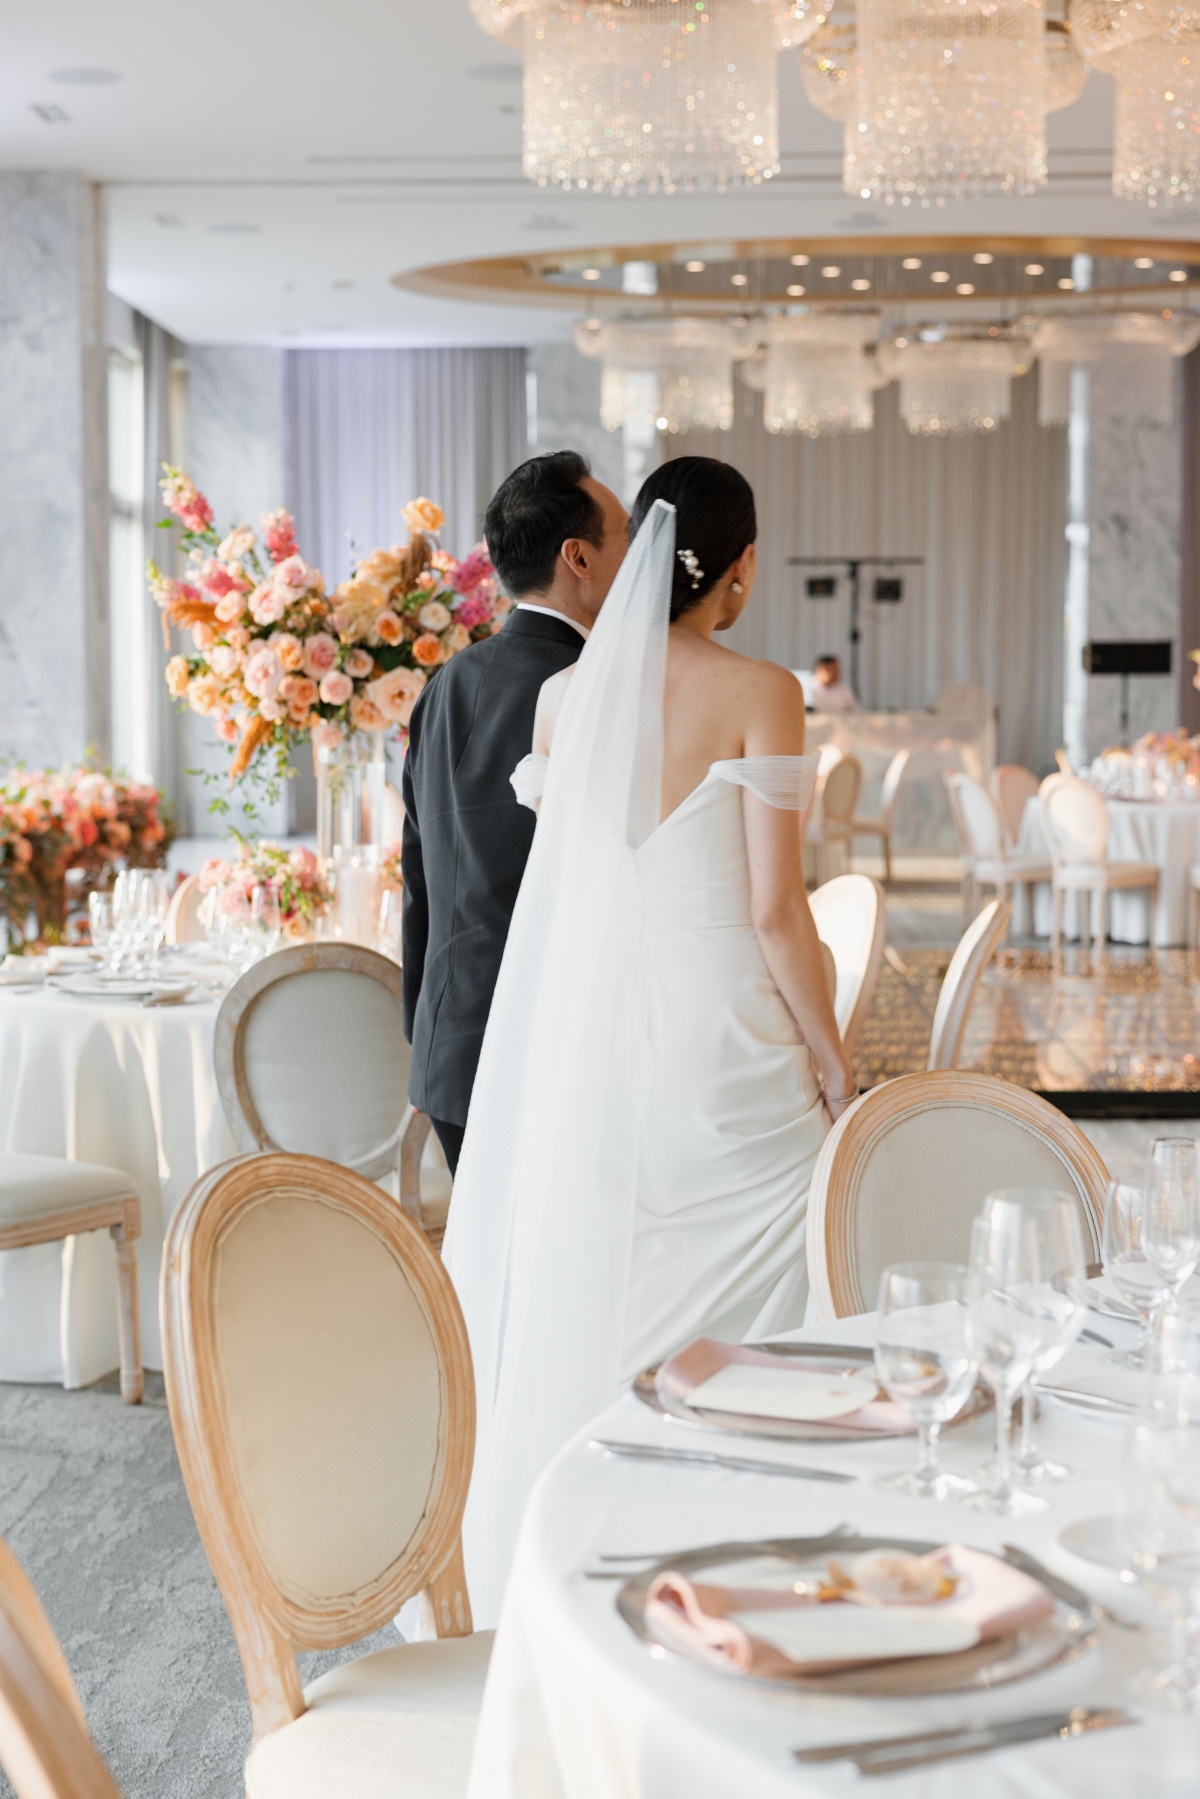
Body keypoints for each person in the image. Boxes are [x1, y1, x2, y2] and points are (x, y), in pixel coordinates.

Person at [443, 457, 858, 1626]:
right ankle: (752, 1560)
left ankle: (600, 1565)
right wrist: (833, 1058)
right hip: (725, 1030)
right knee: (769, 1285)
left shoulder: (565, 699)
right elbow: (780, 914)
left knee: (609, 1273)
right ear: (738, 567)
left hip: (605, 1027)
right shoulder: (763, 686)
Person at [400, 451, 629, 1174]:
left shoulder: (447, 681)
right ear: (579, 556)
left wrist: (426, 1029)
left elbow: (418, 875)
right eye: (626, 534)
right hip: (546, 1047)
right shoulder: (592, 689)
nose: (639, 553)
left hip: (446, 1046)